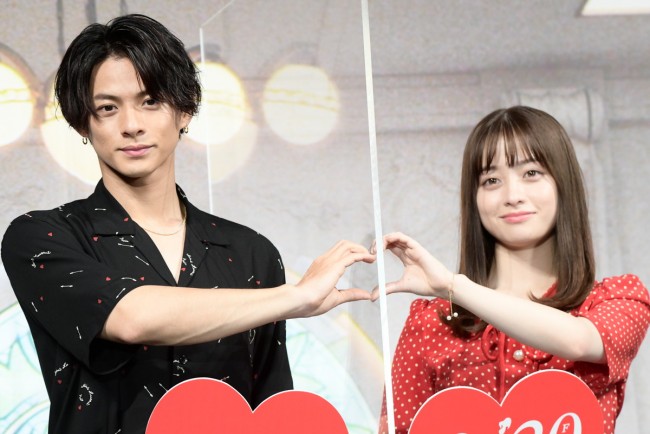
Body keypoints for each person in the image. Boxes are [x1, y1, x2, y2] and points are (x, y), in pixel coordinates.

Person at [0, 14, 375, 434]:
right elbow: (132, 318)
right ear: (83, 123)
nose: (131, 125)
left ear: (184, 111)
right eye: (107, 108)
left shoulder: (251, 254)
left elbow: (271, 411)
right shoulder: (42, 237)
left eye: (150, 101)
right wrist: (296, 296)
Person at [375, 106, 650, 434]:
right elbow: (398, 428)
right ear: (474, 198)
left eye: (531, 173)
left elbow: (579, 341)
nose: (512, 196)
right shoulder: (430, 323)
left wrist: (453, 286)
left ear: (563, 184)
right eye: (491, 180)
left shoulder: (617, 301)